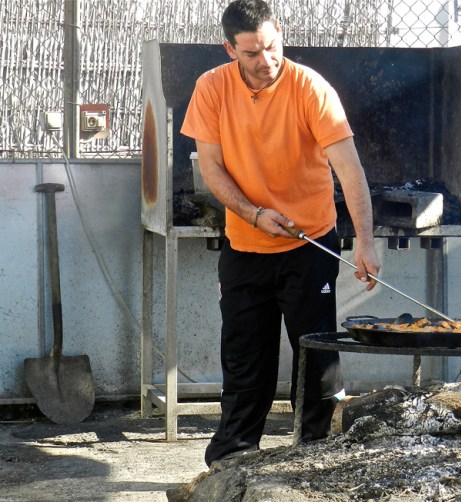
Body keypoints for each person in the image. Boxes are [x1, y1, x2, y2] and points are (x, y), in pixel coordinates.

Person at [181, 0, 380, 467]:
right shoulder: (211, 88)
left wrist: (366, 243)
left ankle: (315, 458)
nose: (266, 60)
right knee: (245, 358)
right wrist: (253, 215)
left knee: (317, 359)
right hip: (245, 242)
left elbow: (350, 171)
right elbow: (211, 168)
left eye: (272, 47)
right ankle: (233, 460)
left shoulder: (311, 88)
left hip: (310, 242)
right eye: (251, 52)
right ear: (230, 49)